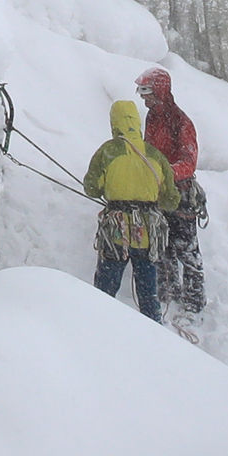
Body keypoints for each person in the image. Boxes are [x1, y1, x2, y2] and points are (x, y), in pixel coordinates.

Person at [81, 96, 180, 319]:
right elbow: (171, 199)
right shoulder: (155, 155)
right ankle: (155, 335)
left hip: (117, 232)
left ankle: (96, 328)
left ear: (114, 123)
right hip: (148, 234)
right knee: (148, 294)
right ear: (137, 122)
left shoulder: (108, 151)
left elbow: (91, 188)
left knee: (105, 290)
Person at [137, 67, 206, 320]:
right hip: (158, 195)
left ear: (161, 91)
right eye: (143, 93)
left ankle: (194, 304)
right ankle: (167, 295)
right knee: (162, 248)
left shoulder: (181, 122)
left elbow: (189, 161)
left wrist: (164, 173)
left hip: (182, 196)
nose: (144, 99)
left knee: (187, 251)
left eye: (148, 93)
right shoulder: (152, 117)